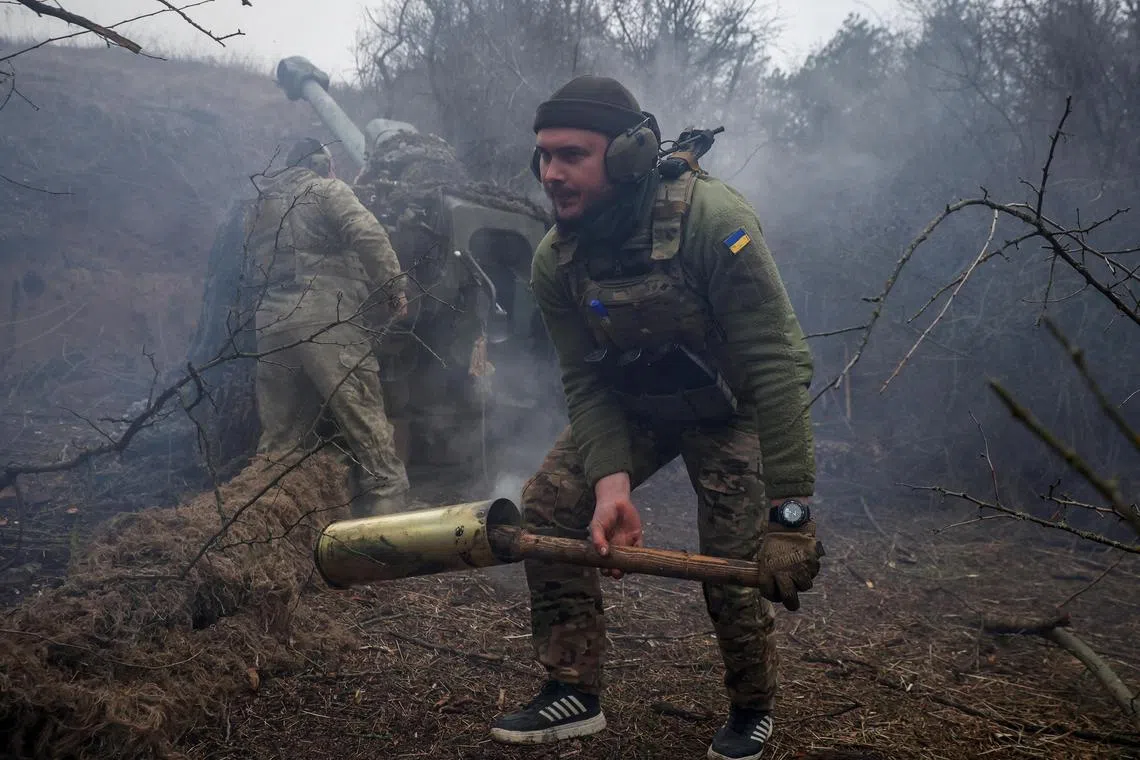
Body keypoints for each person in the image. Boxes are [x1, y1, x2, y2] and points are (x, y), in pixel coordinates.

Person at [488, 77, 823, 760]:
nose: (552, 173)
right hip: (642, 401)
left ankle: (752, 705)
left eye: (572, 155)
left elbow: (777, 361)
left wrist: (790, 514)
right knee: (548, 502)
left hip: (731, 409)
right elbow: (585, 378)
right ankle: (572, 690)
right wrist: (611, 487)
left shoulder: (712, 221)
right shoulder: (557, 258)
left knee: (731, 559)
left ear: (629, 154)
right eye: (544, 156)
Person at [245, 137, 411, 517]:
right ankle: (390, 525)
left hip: (270, 326)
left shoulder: (259, 206)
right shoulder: (325, 190)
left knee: (280, 444)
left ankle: (267, 524)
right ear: (321, 164)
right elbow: (367, 233)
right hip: (325, 321)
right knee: (367, 427)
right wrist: (394, 288)